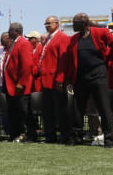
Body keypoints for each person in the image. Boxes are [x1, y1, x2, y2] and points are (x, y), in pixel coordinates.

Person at [65, 12, 113, 148]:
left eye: (75, 24)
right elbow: (70, 60)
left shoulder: (100, 32)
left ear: (84, 24)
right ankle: (76, 137)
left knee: (104, 107)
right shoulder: (73, 39)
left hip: (98, 75)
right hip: (80, 77)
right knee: (78, 108)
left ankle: (109, 139)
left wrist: (106, 60)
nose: (73, 26)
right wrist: (69, 79)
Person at [39, 16, 71, 144]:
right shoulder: (48, 38)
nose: (47, 25)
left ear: (57, 24)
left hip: (55, 80)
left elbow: (63, 60)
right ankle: (50, 136)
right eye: (45, 23)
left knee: (61, 110)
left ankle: (64, 136)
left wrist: (60, 79)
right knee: (48, 111)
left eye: (49, 23)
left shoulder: (62, 37)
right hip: (46, 79)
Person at [3, 22, 34, 142]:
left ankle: (29, 134)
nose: (8, 32)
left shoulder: (24, 43)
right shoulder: (13, 43)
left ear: (16, 31)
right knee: (13, 111)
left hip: (19, 84)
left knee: (24, 111)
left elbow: (27, 65)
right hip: (10, 83)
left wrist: (21, 82)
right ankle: (14, 134)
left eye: (10, 30)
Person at [25, 30, 43, 142]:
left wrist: (30, 68)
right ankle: (36, 129)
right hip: (32, 83)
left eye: (30, 38)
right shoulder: (32, 49)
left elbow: (38, 67)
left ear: (35, 39)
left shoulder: (41, 49)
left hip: (38, 83)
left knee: (40, 108)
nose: (28, 40)